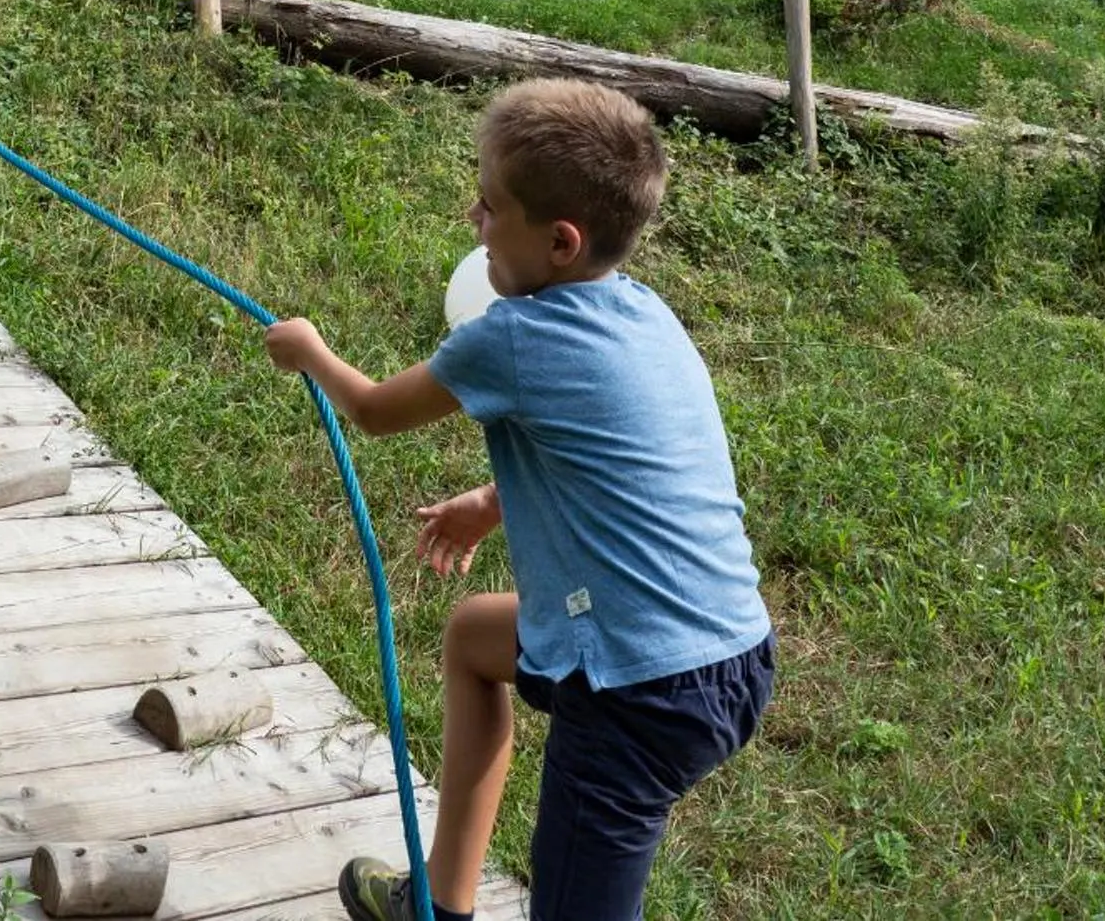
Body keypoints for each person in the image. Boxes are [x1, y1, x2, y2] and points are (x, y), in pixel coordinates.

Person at [262, 79, 774, 921]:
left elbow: (376, 410)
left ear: (561, 241)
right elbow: (623, 461)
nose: (475, 217)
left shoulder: (512, 334)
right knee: (473, 636)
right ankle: (442, 900)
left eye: (492, 206)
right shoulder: (646, 312)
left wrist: (310, 350)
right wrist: (494, 500)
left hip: (634, 694)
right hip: (732, 653)